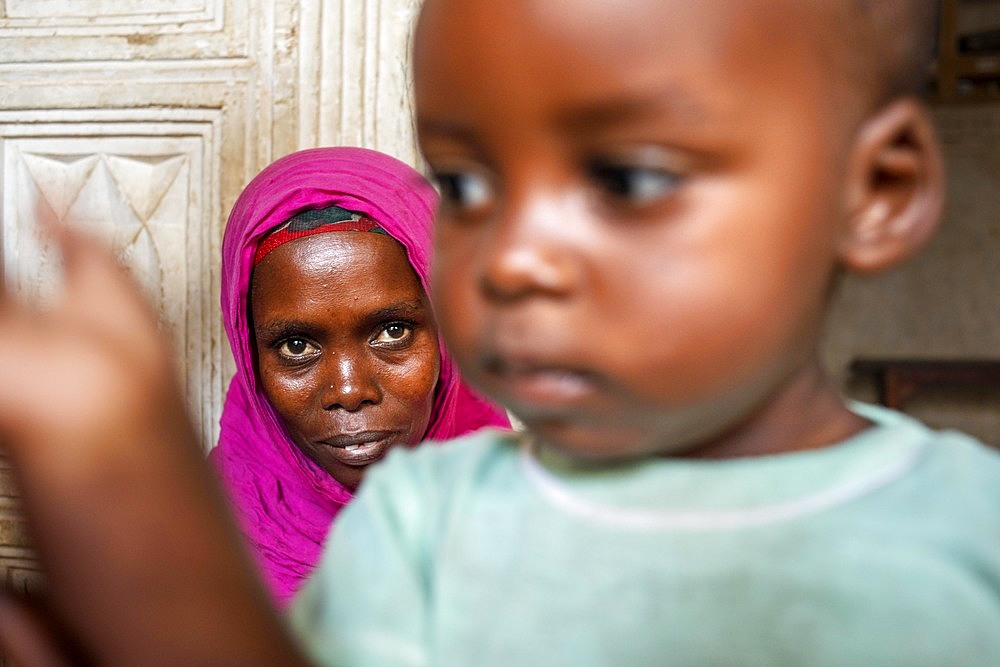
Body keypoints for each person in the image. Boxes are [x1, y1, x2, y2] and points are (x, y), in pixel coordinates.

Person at [0, 0, 999, 665]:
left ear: (875, 191)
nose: (511, 253)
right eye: (470, 186)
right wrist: (121, 494)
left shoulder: (970, 528)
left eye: (627, 178)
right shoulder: (428, 523)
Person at [211, 146, 509, 605]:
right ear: (249, 355)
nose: (349, 391)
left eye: (393, 332)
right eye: (296, 346)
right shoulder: (186, 560)